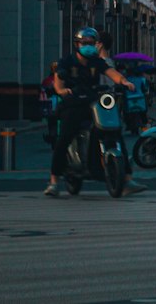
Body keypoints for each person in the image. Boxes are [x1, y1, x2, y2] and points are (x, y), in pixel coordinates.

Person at [44, 27, 145, 197]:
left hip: (93, 103)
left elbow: (112, 73)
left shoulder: (97, 62)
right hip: (73, 105)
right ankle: (54, 181)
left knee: (115, 132)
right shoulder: (67, 62)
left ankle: (127, 179)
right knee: (65, 137)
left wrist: (125, 82)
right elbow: (58, 83)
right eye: (85, 43)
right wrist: (62, 91)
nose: (88, 46)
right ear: (77, 44)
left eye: (91, 43)